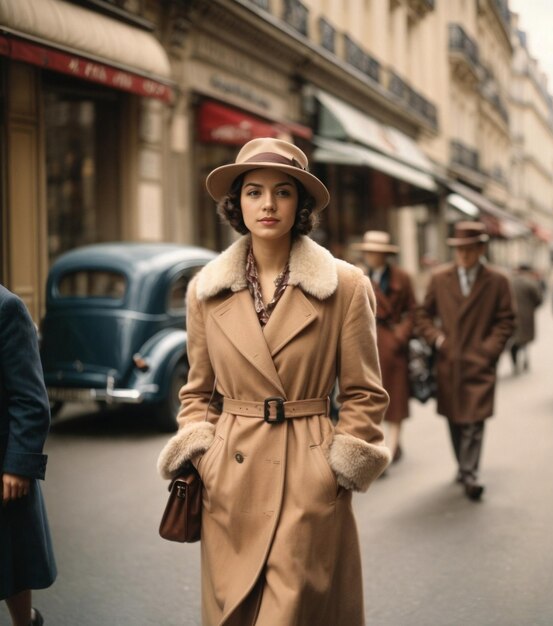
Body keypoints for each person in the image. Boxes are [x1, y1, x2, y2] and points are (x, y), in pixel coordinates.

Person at [157, 137, 390, 626]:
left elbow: (364, 391)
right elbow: (197, 391)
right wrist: (204, 454)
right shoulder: (205, 289)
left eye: (283, 192)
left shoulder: (344, 285)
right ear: (236, 204)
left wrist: (338, 464)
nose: (268, 204)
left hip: (307, 471)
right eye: (254, 191)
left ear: (300, 204)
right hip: (230, 476)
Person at [416, 221, 515, 501]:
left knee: (474, 420)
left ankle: (470, 473)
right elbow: (423, 315)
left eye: (469, 249)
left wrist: (489, 350)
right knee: (455, 419)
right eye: (459, 250)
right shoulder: (439, 278)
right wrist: (438, 340)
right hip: (449, 361)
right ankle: (463, 466)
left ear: (481, 248)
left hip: (480, 362)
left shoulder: (498, 281)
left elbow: (507, 321)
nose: (463, 255)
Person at [1, 286, 57, 626]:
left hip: (3, 462)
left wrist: (18, 465)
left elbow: (31, 399)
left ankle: (26, 622)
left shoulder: (7, 308)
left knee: (11, 561)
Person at [351, 231, 417, 463]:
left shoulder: (402, 278)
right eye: (368, 252)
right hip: (364, 344)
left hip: (393, 348)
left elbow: (413, 311)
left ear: (385, 255)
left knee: (396, 399)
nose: (371, 256)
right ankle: (378, 445)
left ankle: (392, 447)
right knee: (367, 399)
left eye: (376, 253)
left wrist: (401, 336)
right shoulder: (358, 276)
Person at [508, 263, 543, 374]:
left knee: (514, 341)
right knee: (524, 341)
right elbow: (539, 299)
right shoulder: (530, 283)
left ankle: (515, 364)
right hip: (527, 317)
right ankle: (525, 359)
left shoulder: (509, 281)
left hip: (511, 316)